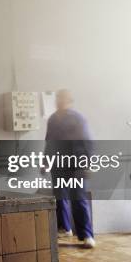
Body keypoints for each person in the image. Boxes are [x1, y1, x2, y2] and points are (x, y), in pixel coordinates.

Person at [45, 89, 95, 248]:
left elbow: (88, 141)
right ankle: (65, 228)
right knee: (60, 197)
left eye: (63, 98)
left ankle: (86, 235)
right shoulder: (52, 119)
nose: (60, 101)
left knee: (78, 198)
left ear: (69, 101)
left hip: (76, 164)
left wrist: (88, 163)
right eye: (58, 98)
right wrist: (46, 161)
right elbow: (49, 142)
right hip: (58, 164)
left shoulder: (77, 118)